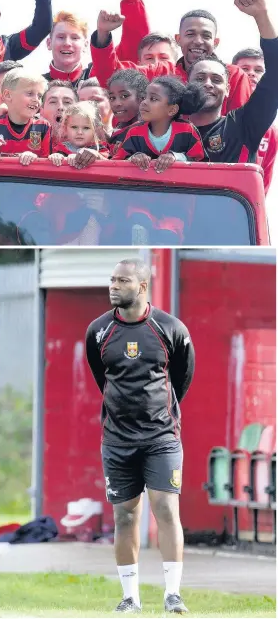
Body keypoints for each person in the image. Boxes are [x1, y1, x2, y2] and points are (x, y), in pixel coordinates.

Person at [85, 258, 195, 614]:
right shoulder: (98, 331)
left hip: (161, 437)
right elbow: (102, 379)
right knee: (125, 517)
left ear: (142, 286)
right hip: (117, 440)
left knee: (165, 507)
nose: (113, 286)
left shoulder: (170, 328)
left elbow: (181, 378)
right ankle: (130, 598)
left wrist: (159, 412)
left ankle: (173, 594)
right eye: (112, 279)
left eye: (122, 280)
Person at [91, 5, 252, 115]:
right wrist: (103, 33)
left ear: (215, 42)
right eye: (190, 34)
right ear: (178, 39)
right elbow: (112, 77)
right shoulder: (161, 72)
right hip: (166, 160)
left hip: (218, 159)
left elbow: (242, 124)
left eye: (206, 35)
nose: (198, 41)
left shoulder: (234, 75)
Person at [188, 0, 278, 164]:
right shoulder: (166, 129)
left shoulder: (244, 125)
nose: (208, 84)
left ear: (228, 89)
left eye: (216, 79)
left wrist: (261, 16)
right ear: (186, 85)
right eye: (200, 78)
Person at [43, 0, 150, 85]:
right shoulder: (37, 88)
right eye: (61, 37)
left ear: (85, 44)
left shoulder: (101, 75)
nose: (67, 43)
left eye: (74, 38)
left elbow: (134, 45)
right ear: (49, 43)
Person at [113, 77, 206, 171]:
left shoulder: (187, 130)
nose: (144, 102)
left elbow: (201, 162)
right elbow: (116, 164)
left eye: (153, 99)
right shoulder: (134, 132)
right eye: (144, 97)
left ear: (172, 110)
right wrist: (133, 158)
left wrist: (177, 157)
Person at [0, 69, 51, 165]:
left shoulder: (43, 126)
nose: (36, 100)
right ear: (8, 95)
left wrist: (35, 159)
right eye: (30, 93)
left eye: (40, 96)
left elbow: (49, 163)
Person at [232, 47, 276, 193]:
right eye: (244, 69)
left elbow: (264, 179)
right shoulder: (220, 113)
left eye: (258, 70)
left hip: (244, 205)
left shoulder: (271, 131)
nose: (251, 73)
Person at [51, 101, 109, 166]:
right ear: (65, 128)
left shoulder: (99, 149)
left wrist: (97, 156)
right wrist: (55, 157)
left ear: (94, 130)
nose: (79, 132)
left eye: (86, 128)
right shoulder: (60, 149)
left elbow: (109, 165)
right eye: (74, 127)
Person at [106, 69, 149, 155]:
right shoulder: (118, 130)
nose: (116, 103)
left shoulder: (150, 131)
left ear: (142, 97)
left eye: (124, 96)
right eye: (112, 98)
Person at [40, 80, 78, 144]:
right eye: (53, 102)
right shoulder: (28, 146)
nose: (60, 107)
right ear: (41, 111)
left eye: (67, 102)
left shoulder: (95, 148)